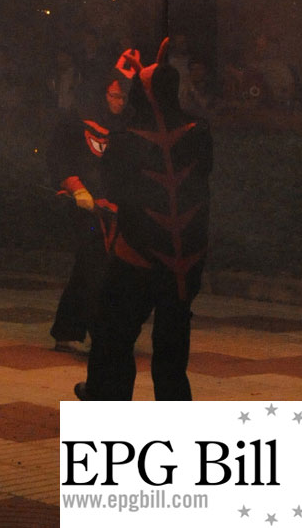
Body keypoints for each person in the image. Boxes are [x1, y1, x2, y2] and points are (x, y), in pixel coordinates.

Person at [75, 40, 212, 401]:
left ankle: (107, 399)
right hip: (185, 259)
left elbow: (113, 188)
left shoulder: (126, 140)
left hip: (137, 257)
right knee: (171, 344)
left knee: (112, 332)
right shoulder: (199, 133)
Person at [46, 64, 128, 352]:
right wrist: (77, 187)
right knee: (95, 266)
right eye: (114, 96)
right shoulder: (76, 119)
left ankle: (67, 331)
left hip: (112, 209)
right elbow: (59, 157)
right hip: (82, 205)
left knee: (92, 268)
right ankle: (101, 335)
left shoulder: (124, 126)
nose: (119, 102)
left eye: (123, 98)